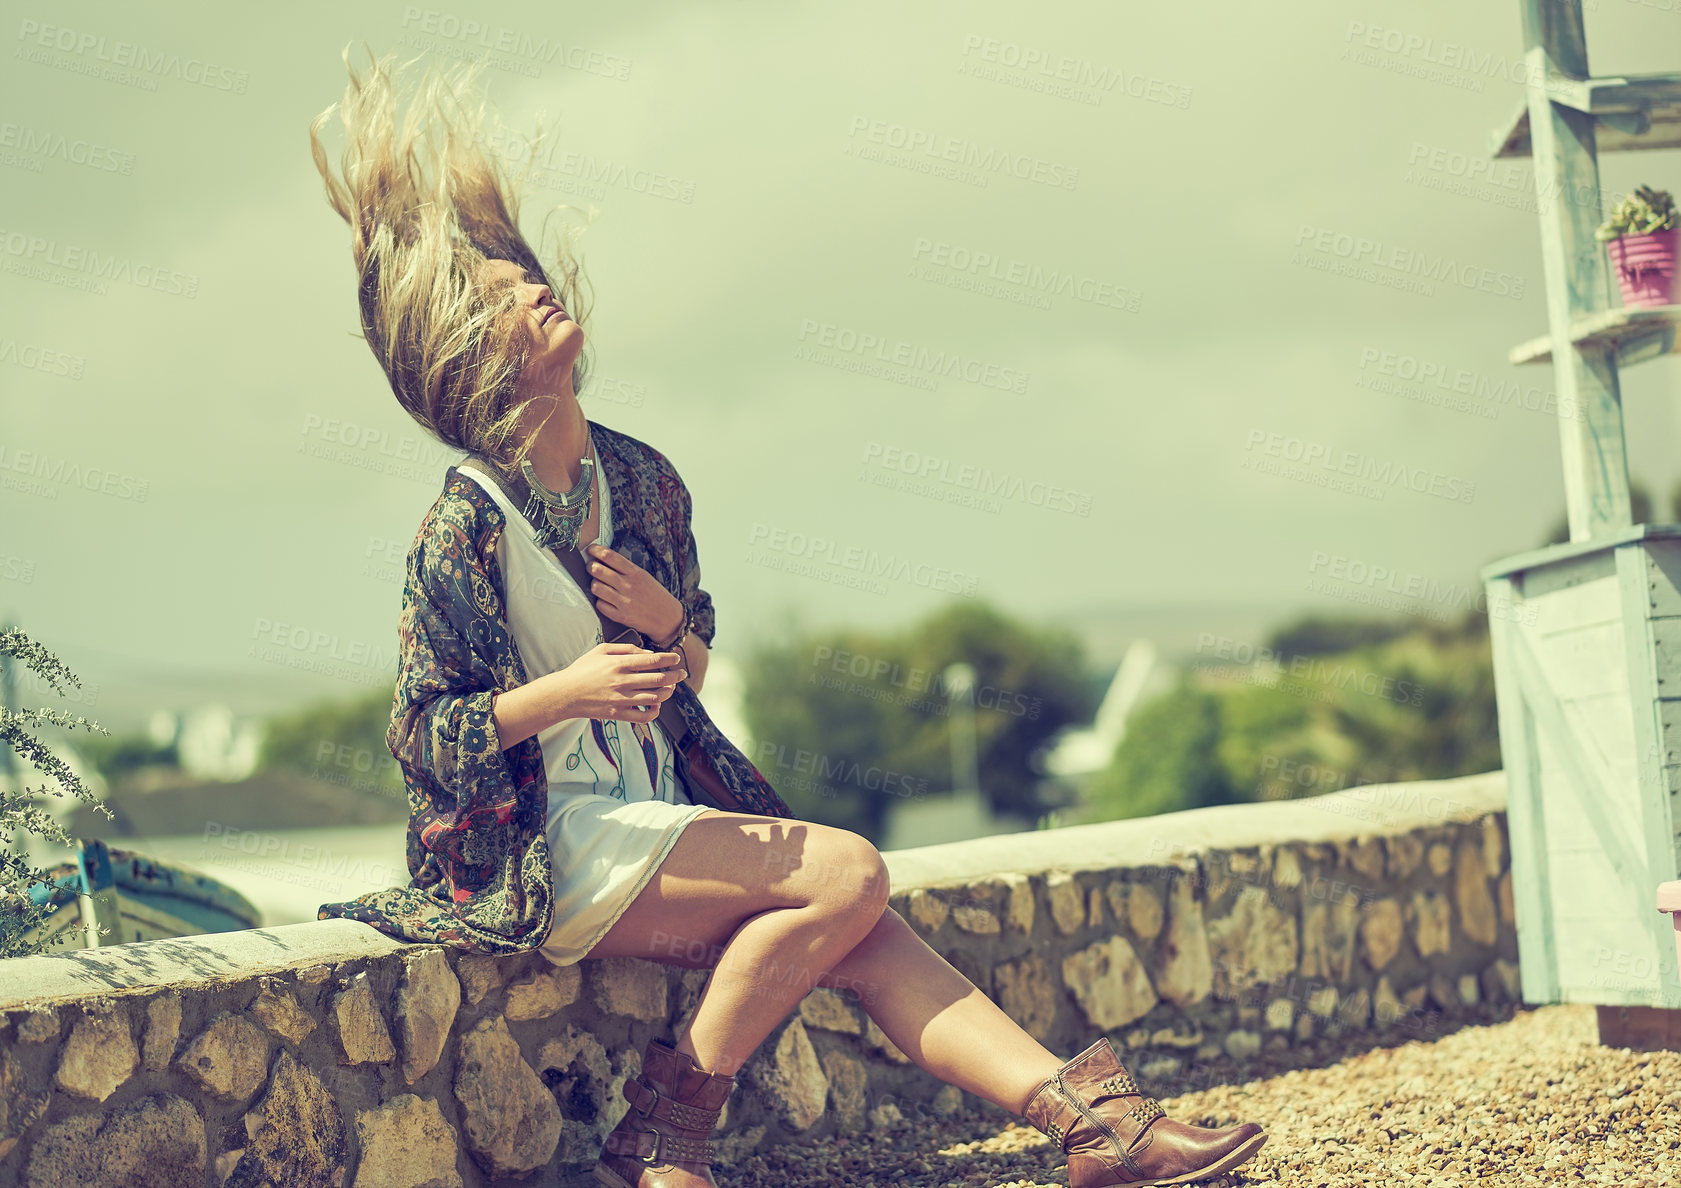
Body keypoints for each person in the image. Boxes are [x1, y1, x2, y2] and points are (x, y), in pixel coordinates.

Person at [309, 47, 1267, 1188]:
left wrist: (671, 632)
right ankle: (666, 1135)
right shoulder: (461, 526)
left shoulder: (646, 482)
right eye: (499, 292)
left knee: (861, 928)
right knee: (850, 873)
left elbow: (693, 667)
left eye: (526, 272)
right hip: (548, 849)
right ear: (468, 350)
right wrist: (570, 693)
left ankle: (1086, 1129)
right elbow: (422, 734)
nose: (533, 287)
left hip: (659, 815)